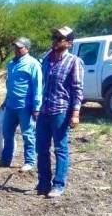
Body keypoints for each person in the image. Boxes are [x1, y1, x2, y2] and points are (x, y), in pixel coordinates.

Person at [33, 26, 83, 198]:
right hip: (44, 111)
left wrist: (75, 114)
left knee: (60, 149)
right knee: (41, 149)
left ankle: (58, 185)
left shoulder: (74, 62)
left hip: (60, 111)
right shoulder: (47, 59)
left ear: (69, 43)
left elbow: (77, 89)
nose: (55, 40)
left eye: (59, 38)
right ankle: (43, 184)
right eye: (54, 37)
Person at [0, 37, 42, 171]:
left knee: (28, 135)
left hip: (25, 106)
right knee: (7, 133)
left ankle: (29, 161)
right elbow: (10, 85)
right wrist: (5, 100)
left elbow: (38, 87)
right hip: (11, 105)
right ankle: (5, 160)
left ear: (27, 49)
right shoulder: (11, 64)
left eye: (20, 47)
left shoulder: (33, 64)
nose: (16, 50)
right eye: (15, 47)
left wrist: (37, 107)